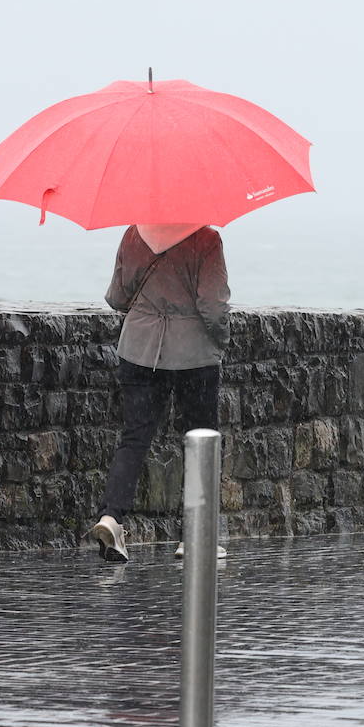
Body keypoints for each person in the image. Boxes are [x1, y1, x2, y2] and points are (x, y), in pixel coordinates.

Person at [88, 224, 230, 563]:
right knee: (201, 442)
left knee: (134, 438)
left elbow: (117, 298)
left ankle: (111, 518)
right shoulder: (206, 239)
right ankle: (195, 537)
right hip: (193, 354)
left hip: (138, 349)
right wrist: (221, 340)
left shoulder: (135, 233)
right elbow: (212, 306)